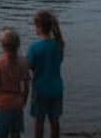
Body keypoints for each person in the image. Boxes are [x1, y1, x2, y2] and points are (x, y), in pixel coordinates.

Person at [27, 10, 65, 138]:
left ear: (39, 27)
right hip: (56, 87)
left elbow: (30, 65)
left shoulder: (34, 47)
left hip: (41, 88)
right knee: (54, 120)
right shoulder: (59, 44)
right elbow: (58, 61)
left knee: (39, 120)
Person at [0, 27, 29, 137]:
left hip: (3, 102)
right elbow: (26, 84)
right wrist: (24, 99)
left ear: (3, 46)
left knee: (1, 132)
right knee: (16, 132)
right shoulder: (23, 62)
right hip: (17, 102)